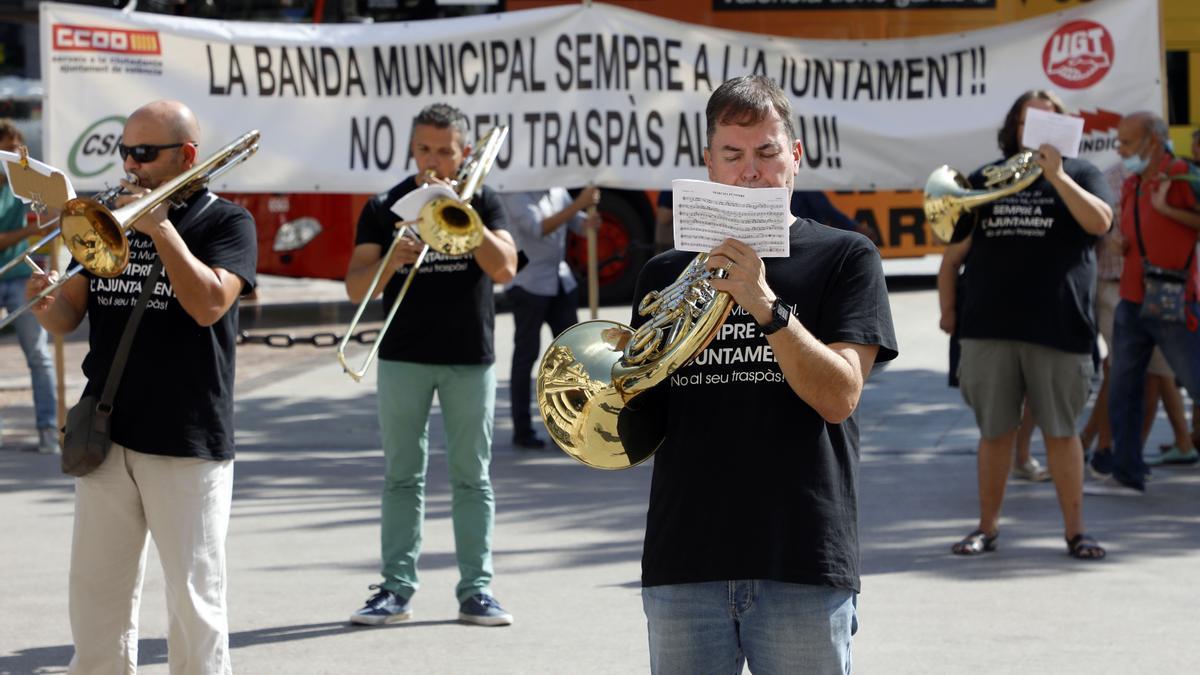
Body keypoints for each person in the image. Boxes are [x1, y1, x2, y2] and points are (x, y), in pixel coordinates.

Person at [631, 76, 897, 673]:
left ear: (795, 158)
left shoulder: (847, 257)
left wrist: (764, 304)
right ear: (708, 162)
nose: (750, 171)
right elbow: (642, 426)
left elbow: (840, 397)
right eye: (732, 154)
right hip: (684, 561)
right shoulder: (663, 274)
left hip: (801, 559)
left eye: (767, 152)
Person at [26, 100, 257, 673]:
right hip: (107, 430)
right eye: (125, 150)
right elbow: (67, 316)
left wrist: (160, 228)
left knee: (193, 599)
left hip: (186, 436)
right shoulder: (105, 213)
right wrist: (45, 297)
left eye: (145, 153)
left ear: (187, 156)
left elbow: (208, 305)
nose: (131, 164)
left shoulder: (227, 222)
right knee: (96, 595)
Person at [344, 103, 518, 627]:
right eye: (425, 149)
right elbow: (355, 286)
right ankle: (395, 588)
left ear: (464, 153)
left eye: (445, 151)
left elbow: (506, 268)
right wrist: (389, 260)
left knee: (473, 478)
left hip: (469, 358)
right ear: (412, 150)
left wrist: (465, 217)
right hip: (403, 357)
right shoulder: (385, 205)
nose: (434, 162)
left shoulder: (484, 200)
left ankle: (477, 590)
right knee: (402, 476)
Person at [948, 90, 1112, 559]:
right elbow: (955, 244)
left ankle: (1076, 531)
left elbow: (1100, 223)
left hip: (1059, 325)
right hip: (989, 324)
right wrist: (949, 308)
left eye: (1046, 119)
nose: (1034, 128)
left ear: (1063, 126)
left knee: (1062, 432)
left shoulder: (1083, 174)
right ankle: (986, 528)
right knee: (994, 433)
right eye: (1025, 121)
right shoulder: (986, 177)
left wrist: (1056, 174)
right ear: (1014, 129)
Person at [1087, 111, 1200, 495]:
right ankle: (1127, 467)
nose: (1120, 149)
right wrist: (1124, 245)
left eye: (1127, 142)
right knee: (1122, 387)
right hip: (1133, 299)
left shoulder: (1181, 174)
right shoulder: (1133, 182)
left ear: (1153, 141)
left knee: (1194, 379)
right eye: (1119, 142)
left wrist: (1168, 208)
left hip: (1174, 300)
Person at [939, 238, 1049, 482]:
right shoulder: (982, 207)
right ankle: (1001, 459)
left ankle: (1020, 456)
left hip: (1037, 316)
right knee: (994, 404)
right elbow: (950, 260)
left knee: (1034, 393)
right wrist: (947, 310)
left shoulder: (1048, 203)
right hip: (984, 321)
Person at [500, 185, 600, 449]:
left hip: (559, 280)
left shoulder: (557, 190)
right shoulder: (514, 193)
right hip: (528, 282)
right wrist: (578, 204)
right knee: (526, 356)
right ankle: (522, 430)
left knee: (571, 358)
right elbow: (538, 228)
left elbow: (577, 224)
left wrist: (589, 219)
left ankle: (568, 425)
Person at [0, 119, 58, 454]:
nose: (11, 154)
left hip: (20, 276)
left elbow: (50, 214)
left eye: (15, 147)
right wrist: (29, 234)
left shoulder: (15, 182)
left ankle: (47, 429)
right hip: (12, 271)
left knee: (39, 355)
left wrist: (29, 173)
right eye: (6, 148)